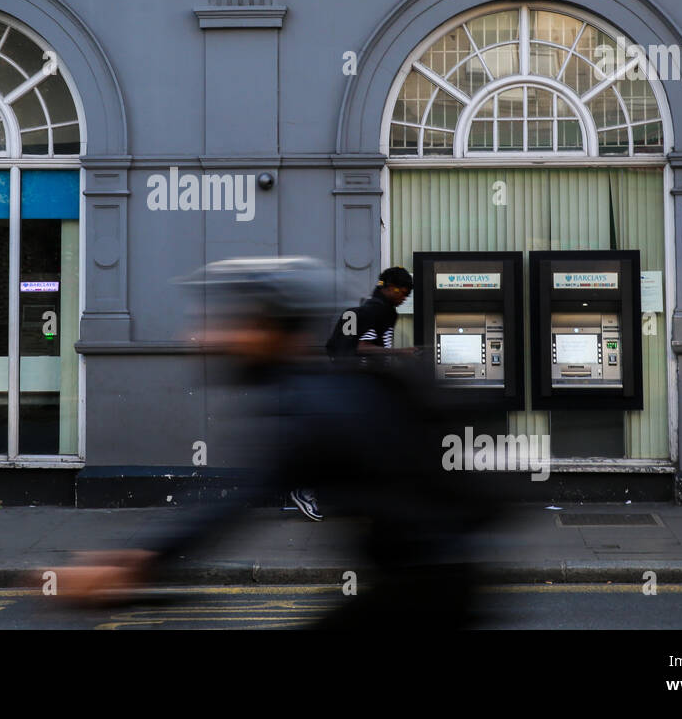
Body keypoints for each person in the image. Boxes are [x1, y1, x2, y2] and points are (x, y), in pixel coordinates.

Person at [50, 257, 497, 628]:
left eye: (235, 324)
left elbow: (236, 501)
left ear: (275, 332)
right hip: (429, 579)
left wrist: (135, 563)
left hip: (427, 590)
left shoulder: (308, 402)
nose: (210, 338)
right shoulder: (313, 392)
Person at [295, 266, 414, 520]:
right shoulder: (377, 310)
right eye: (401, 291)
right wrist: (399, 353)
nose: (404, 296)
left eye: (407, 293)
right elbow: (362, 347)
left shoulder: (380, 309)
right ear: (386, 287)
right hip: (360, 388)